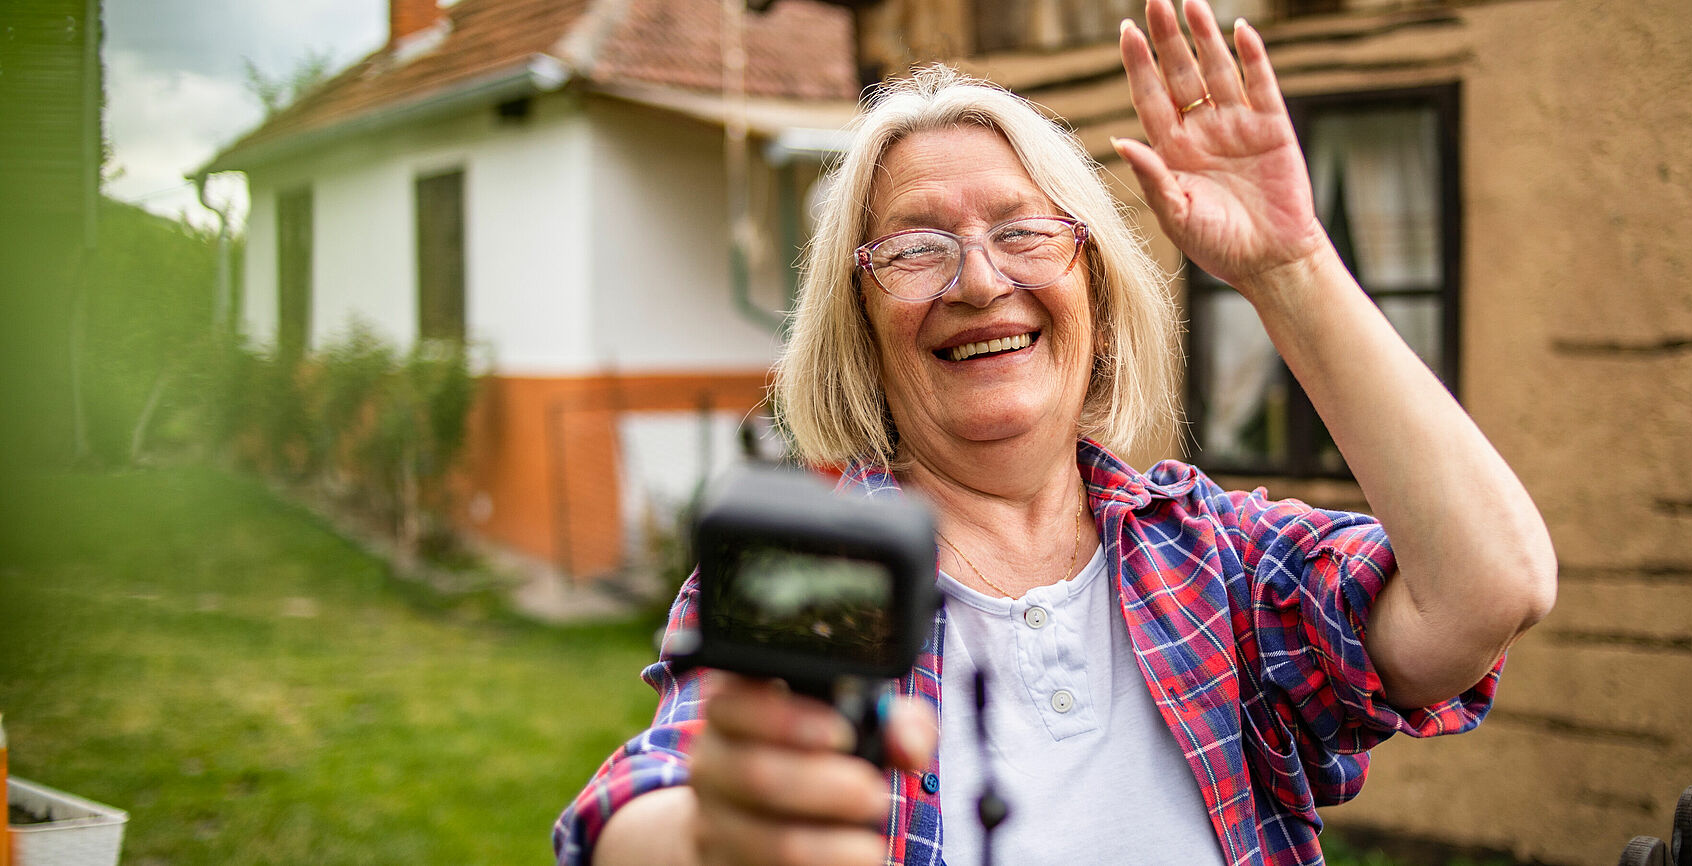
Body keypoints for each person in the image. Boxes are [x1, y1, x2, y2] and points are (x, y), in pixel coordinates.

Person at [556, 0, 1556, 862]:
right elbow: (653, 795)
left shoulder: (1213, 560)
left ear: (1098, 294)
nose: (980, 282)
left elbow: (1490, 585)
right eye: (916, 247)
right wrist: (711, 836)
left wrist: (1289, 267)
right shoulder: (819, 565)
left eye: (1023, 231)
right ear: (858, 325)